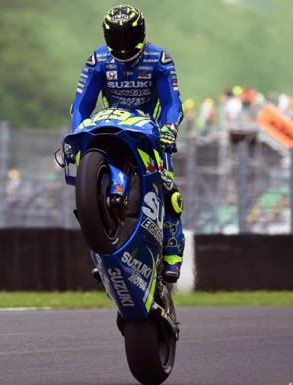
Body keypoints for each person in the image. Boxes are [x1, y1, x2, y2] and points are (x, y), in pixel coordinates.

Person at [70, 4, 184, 283]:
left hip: (149, 131)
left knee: (169, 189)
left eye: (128, 35)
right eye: (115, 36)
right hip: (110, 128)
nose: (122, 43)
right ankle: (99, 252)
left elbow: (172, 102)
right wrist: (77, 139)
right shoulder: (97, 61)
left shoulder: (160, 60)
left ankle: (172, 255)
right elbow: (80, 106)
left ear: (141, 32)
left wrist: (168, 129)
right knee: (88, 188)